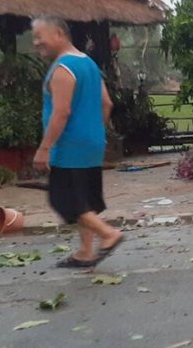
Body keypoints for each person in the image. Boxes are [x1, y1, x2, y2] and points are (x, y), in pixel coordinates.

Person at [31, 16, 124, 268]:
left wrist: (44, 148)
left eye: (40, 36)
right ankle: (85, 252)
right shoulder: (89, 64)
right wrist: (94, 131)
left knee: (64, 198)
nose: (36, 42)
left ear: (60, 34)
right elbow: (107, 103)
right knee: (84, 199)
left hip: (69, 145)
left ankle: (108, 234)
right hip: (92, 142)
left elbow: (61, 113)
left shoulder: (63, 68)